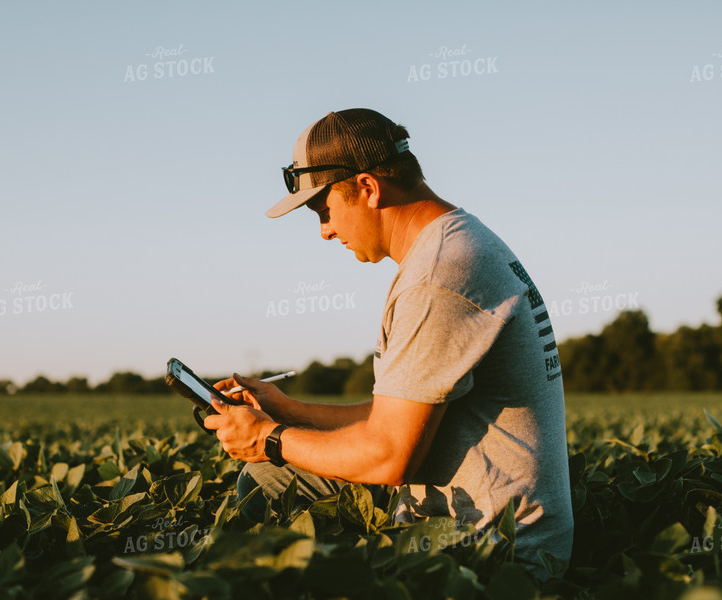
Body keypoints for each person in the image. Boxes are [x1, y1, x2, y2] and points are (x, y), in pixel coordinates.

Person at [204, 108, 573, 577]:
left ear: (368, 188)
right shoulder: (454, 243)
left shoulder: (439, 275)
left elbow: (390, 455)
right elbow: (397, 418)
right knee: (267, 479)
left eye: (324, 211)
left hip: (491, 555)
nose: (325, 231)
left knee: (267, 524)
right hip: (485, 527)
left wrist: (266, 436)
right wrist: (286, 409)